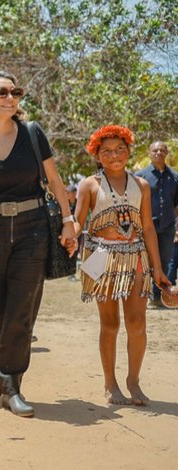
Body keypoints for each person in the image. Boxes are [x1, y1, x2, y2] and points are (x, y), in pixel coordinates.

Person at [0, 70, 78, 418]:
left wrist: (68, 220)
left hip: (32, 229)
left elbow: (54, 179)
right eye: (3, 92)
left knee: (22, 308)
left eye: (16, 92)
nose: (11, 98)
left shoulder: (33, 133)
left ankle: (11, 383)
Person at [74, 126, 170, 405]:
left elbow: (148, 227)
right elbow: (78, 221)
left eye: (119, 149)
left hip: (135, 256)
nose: (114, 155)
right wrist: (70, 232)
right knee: (110, 324)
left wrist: (158, 268)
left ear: (128, 151)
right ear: (97, 155)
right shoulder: (89, 185)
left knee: (137, 323)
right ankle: (110, 383)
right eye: (106, 151)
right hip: (100, 257)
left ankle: (133, 381)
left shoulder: (141, 186)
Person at [135, 141, 178, 307]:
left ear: (167, 153)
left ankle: (157, 297)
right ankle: (143, 295)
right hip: (146, 227)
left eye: (162, 150)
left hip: (167, 227)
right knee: (145, 260)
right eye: (155, 150)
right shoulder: (139, 176)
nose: (159, 152)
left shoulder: (175, 177)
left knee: (165, 260)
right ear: (149, 153)